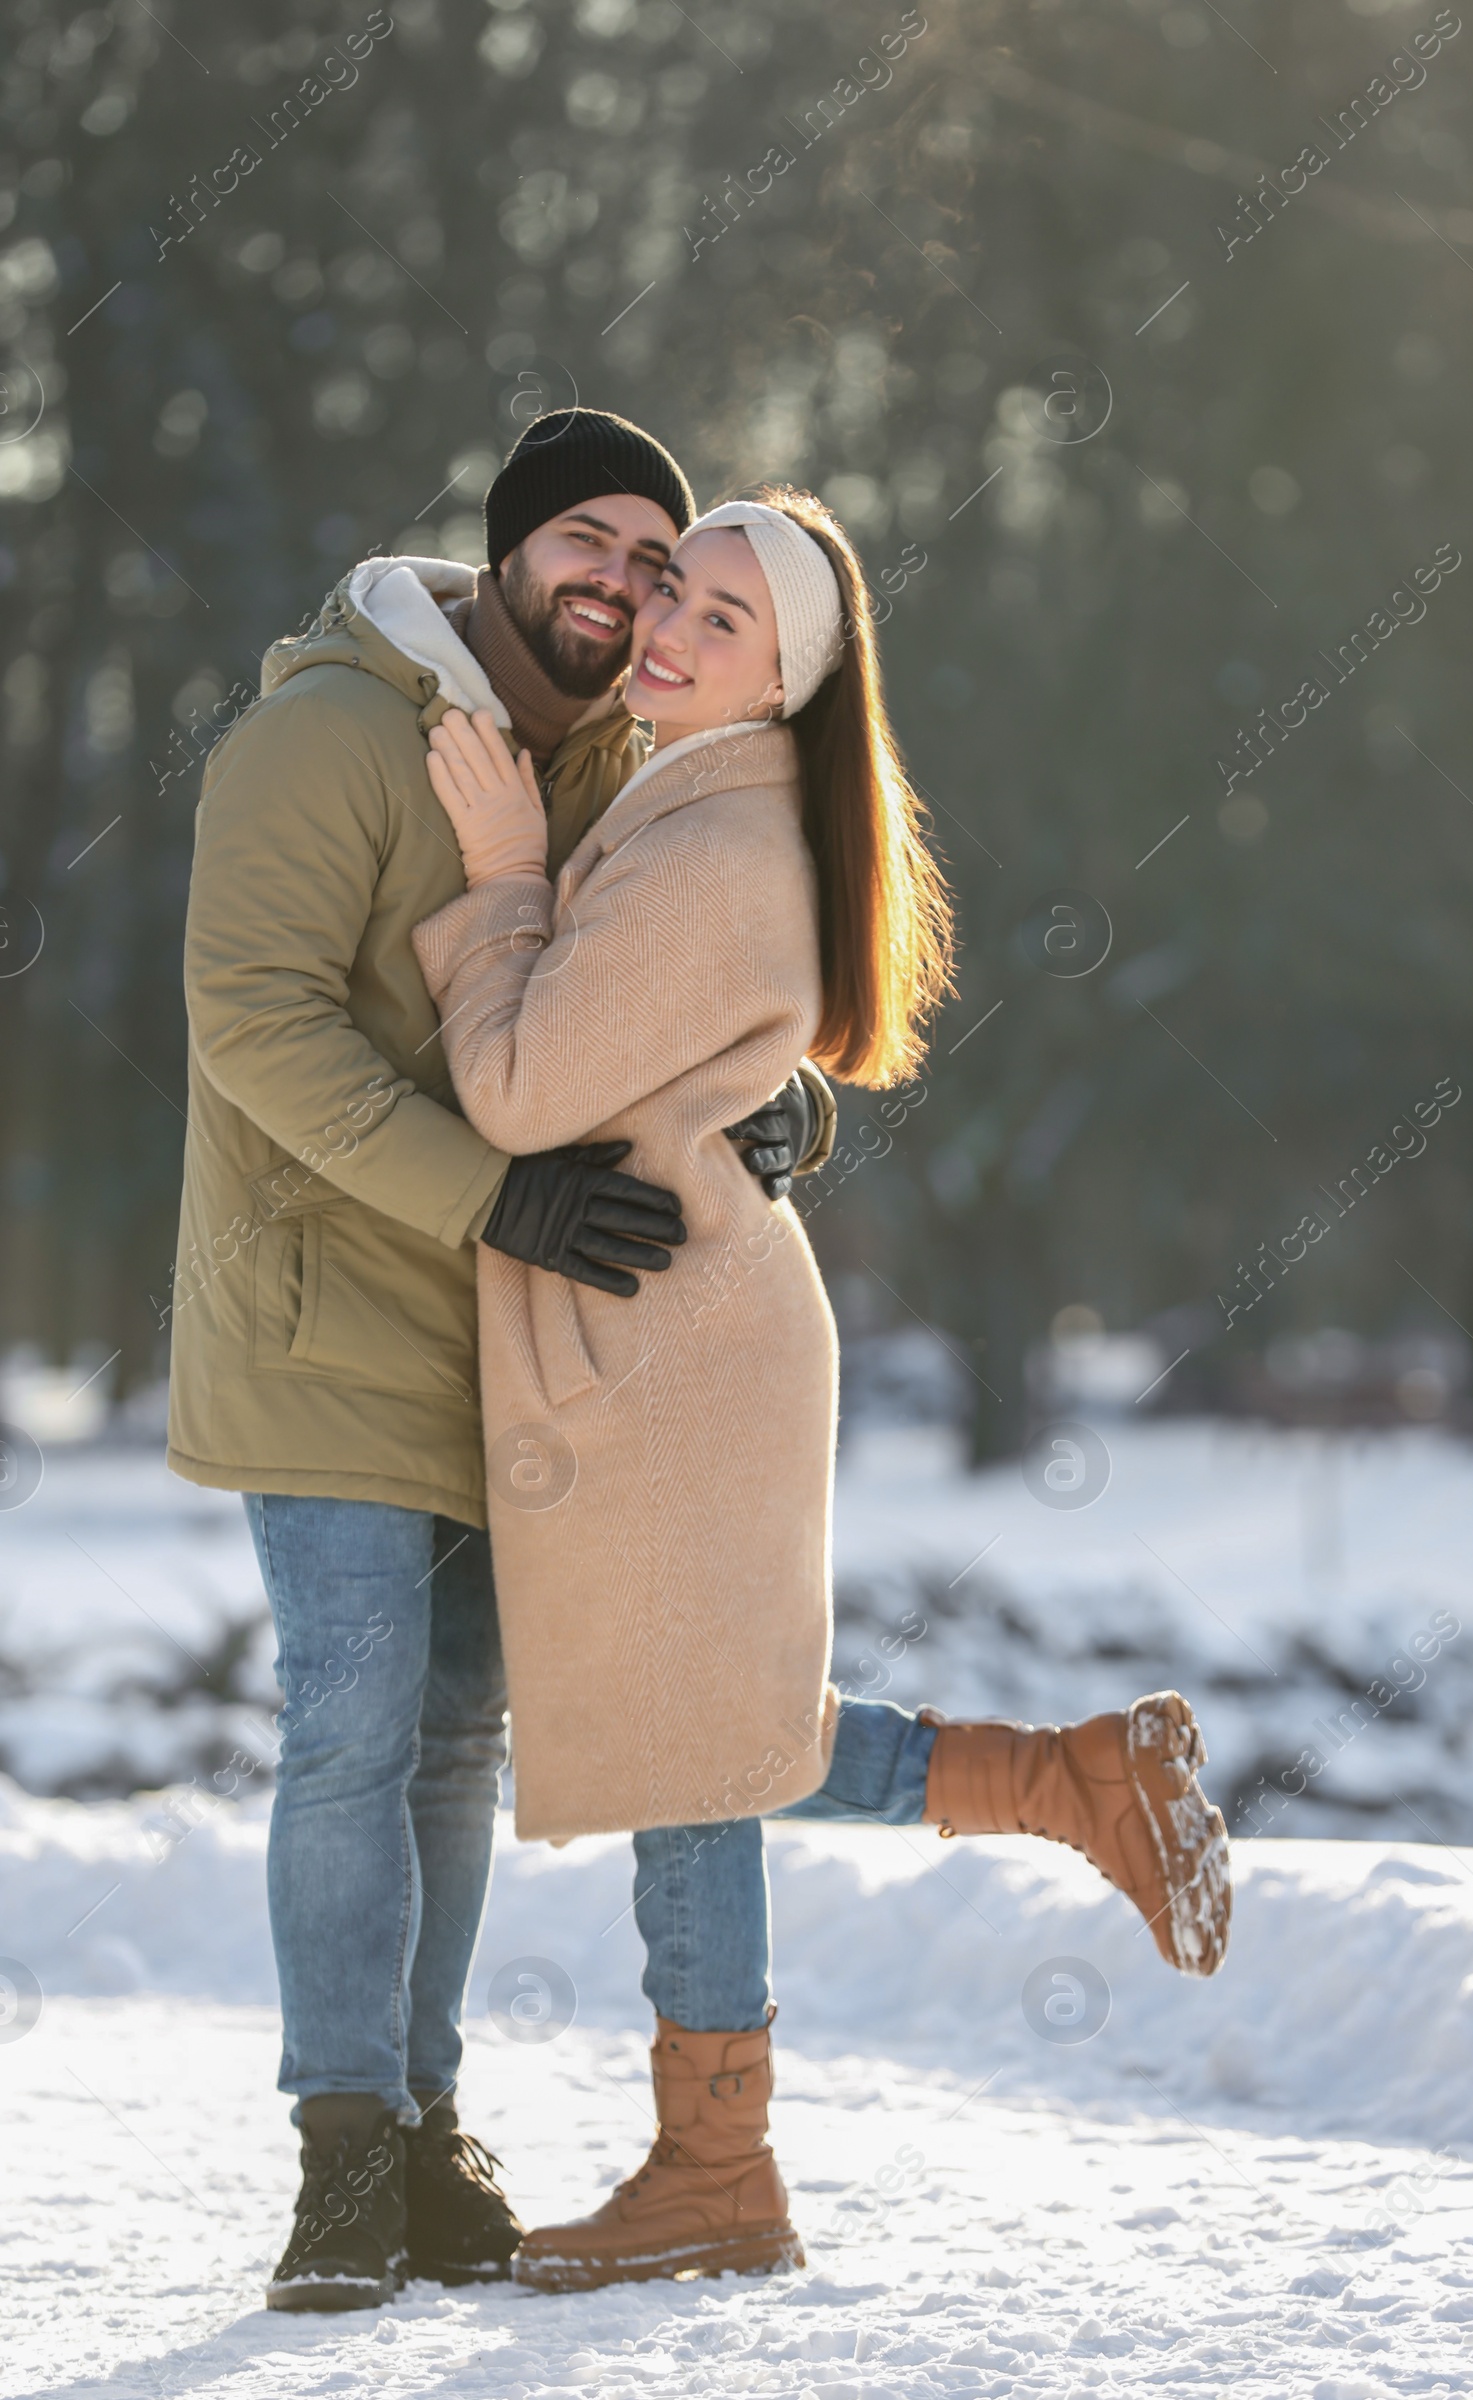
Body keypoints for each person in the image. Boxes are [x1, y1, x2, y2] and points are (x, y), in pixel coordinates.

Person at [415, 486, 1234, 2295]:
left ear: (789, 681)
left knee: (700, 1744)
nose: (672, 632)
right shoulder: (698, 799)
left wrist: (493, 885)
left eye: (726, 623)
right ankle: (1072, 1784)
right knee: (707, 1727)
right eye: (675, 595)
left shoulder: (714, 839)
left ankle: (719, 2168)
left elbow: (526, 1088)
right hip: (681, 1329)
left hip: (675, 1343)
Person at [168, 410, 839, 2313]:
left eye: (655, 569)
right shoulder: (325, 734)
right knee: (353, 1728)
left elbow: (665, 981)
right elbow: (257, 1032)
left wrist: (773, 1107)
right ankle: (336, 2154)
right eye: (596, 550)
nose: (623, 594)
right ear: (514, 544)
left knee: (456, 1745)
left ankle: (426, 2127)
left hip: (512, 1347)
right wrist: (498, 1197)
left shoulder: (618, 753)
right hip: (328, 1326)